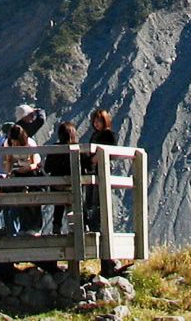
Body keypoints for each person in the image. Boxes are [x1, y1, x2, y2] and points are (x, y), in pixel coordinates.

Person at [85, 109, 118, 276]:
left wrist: (95, 159)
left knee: (98, 202)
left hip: (102, 171)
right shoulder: (94, 135)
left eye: (99, 120)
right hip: (93, 172)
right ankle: (92, 225)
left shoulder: (108, 135)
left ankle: (97, 226)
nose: (96, 123)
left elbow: (108, 152)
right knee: (89, 202)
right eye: (94, 121)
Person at [5, 123, 41, 235]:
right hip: (19, 170)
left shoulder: (30, 144)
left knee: (33, 199)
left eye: (17, 142)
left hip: (32, 171)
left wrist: (26, 169)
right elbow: (9, 160)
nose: (15, 144)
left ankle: (35, 227)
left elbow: (34, 163)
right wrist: (8, 173)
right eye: (13, 142)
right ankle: (24, 227)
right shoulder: (8, 144)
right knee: (20, 198)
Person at [43, 122, 79, 235]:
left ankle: (56, 227)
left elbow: (47, 168)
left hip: (56, 187)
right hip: (72, 186)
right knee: (74, 206)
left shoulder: (54, 149)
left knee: (58, 207)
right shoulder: (77, 148)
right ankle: (74, 228)